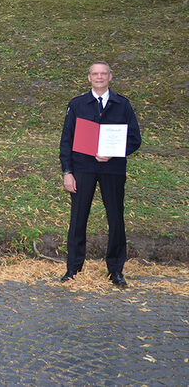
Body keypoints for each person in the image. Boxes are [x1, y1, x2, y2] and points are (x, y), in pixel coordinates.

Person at [59, 62, 141, 286]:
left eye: (103, 74)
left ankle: (115, 270)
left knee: (115, 219)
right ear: (89, 78)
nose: (99, 77)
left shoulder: (122, 105)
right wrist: (67, 172)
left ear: (110, 77)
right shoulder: (77, 104)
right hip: (83, 168)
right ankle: (73, 269)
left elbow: (135, 139)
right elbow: (66, 141)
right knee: (77, 219)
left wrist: (115, 153)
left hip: (112, 169)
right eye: (95, 74)